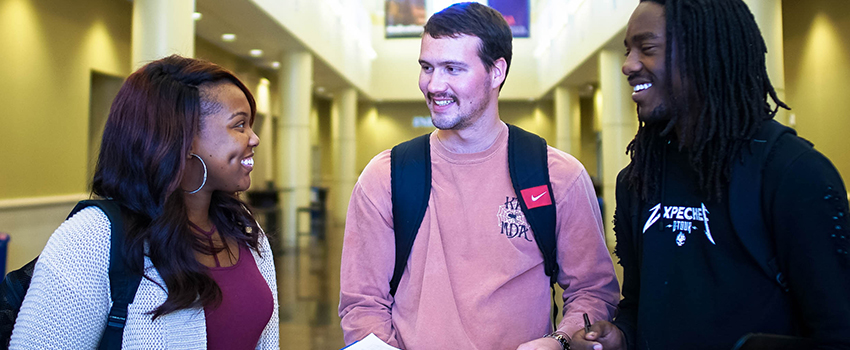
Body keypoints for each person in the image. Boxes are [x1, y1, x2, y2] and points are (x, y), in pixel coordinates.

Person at [570, 0, 850, 349]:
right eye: (629, 51)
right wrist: (621, 336)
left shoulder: (794, 174)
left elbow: (838, 331)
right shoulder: (639, 179)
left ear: (704, 52)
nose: (628, 65)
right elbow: (639, 305)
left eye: (648, 48)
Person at [338, 3, 619, 350]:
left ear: (496, 72)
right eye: (427, 67)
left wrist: (561, 341)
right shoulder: (385, 178)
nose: (434, 84)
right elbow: (362, 304)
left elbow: (593, 291)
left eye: (453, 69)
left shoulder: (557, 176)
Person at [10, 55, 279, 349]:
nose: (254, 138)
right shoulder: (93, 238)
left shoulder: (245, 231)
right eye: (239, 126)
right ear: (184, 138)